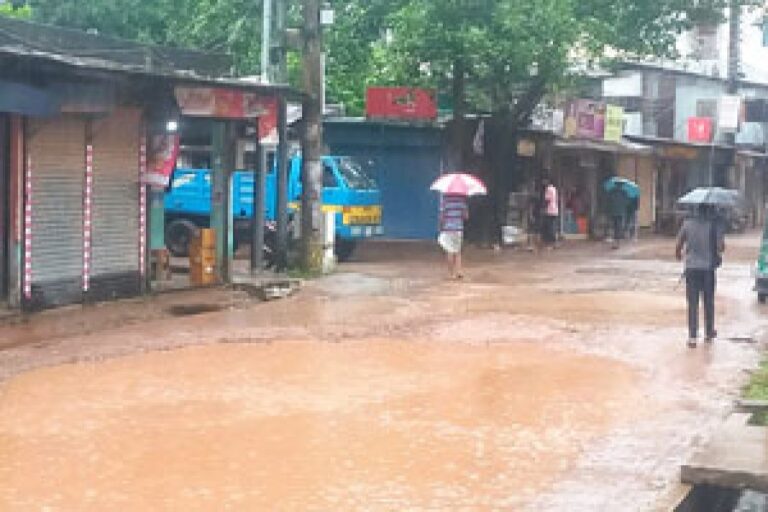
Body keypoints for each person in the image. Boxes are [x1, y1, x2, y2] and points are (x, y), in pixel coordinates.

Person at [675, 204, 725, 348]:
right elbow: (720, 247)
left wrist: (679, 255)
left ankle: (692, 337)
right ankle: (709, 333)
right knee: (708, 302)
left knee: (692, 303)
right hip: (708, 269)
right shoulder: (713, 225)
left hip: (691, 269)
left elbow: (678, 244)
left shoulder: (687, 224)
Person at [438, 194, 469, 279]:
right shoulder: (462, 200)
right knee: (458, 251)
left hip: (448, 229)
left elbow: (442, 216)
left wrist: (440, 227)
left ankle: (451, 274)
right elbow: (466, 216)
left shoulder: (444, 199)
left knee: (450, 251)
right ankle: (459, 271)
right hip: (459, 229)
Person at [607, 183, 629, 249]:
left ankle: (614, 242)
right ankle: (618, 242)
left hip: (613, 212)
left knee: (614, 226)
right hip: (621, 212)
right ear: (621, 185)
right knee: (619, 227)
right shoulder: (624, 192)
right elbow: (627, 202)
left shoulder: (611, 192)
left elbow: (609, 201)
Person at [542, 178, 559, 248]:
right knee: (553, 226)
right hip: (555, 209)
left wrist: (543, 208)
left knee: (549, 226)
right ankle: (554, 241)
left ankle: (550, 241)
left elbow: (547, 200)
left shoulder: (548, 189)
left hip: (550, 210)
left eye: (545, 181)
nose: (543, 182)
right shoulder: (554, 189)